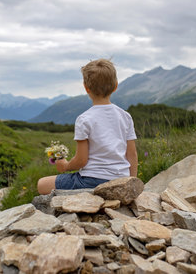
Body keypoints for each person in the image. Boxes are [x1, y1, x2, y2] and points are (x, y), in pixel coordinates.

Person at [37, 58, 138, 195]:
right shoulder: (125, 116)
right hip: (121, 180)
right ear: (115, 86)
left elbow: (81, 160)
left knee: (42, 184)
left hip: (90, 181)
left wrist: (66, 166)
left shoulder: (84, 119)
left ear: (86, 88)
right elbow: (131, 154)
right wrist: (131, 183)